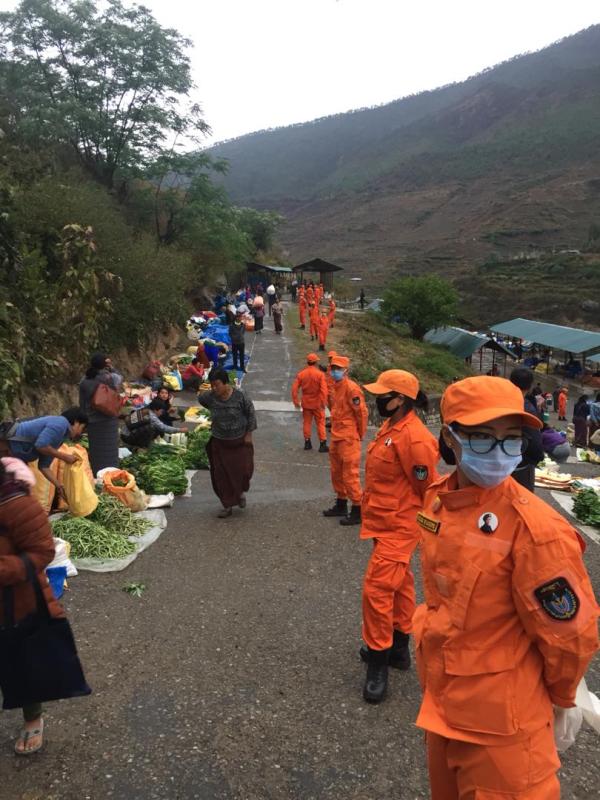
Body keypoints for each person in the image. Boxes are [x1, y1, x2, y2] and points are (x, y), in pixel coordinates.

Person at [415, 376, 599, 800]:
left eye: (511, 438)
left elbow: (570, 636)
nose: (499, 452)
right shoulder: (439, 501)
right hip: (443, 705)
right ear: (449, 436)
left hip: (503, 728)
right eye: (481, 436)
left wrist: (561, 698)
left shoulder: (536, 530)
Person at [359, 370, 439, 703]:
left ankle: (378, 659)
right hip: (383, 521)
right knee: (400, 583)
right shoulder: (392, 427)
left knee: (377, 590)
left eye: (382, 395)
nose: (376, 400)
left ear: (400, 399)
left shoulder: (415, 438)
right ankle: (400, 649)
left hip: (400, 527)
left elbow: (426, 487)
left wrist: (419, 526)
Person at [0, 458, 68, 755]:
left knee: (19, 661)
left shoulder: (16, 503)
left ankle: (32, 717)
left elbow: (42, 551)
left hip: (14, 600)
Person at [198, 368, 257, 518]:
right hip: (219, 442)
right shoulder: (210, 397)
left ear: (226, 383)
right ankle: (227, 505)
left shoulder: (240, 396)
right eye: (212, 385)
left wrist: (248, 434)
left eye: (217, 385)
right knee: (221, 476)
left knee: (243, 472)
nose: (214, 388)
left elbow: (251, 413)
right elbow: (201, 399)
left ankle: (240, 493)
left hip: (239, 442)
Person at [323, 355, 368, 526]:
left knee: (350, 474)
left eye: (338, 369)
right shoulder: (336, 386)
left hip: (348, 437)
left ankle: (358, 508)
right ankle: (341, 503)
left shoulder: (352, 389)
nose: (335, 371)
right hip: (336, 434)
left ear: (346, 370)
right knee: (336, 472)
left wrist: (360, 434)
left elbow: (361, 414)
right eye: (333, 368)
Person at [2, 409, 87, 499]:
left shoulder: (60, 437)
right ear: (77, 423)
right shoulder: (60, 423)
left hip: (13, 458)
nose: (80, 433)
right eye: (82, 428)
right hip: (5, 447)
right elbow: (41, 445)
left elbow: (44, 466)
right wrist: (65, 457)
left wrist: (59, 486)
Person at [79, 352, 121, 475]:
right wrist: (111, 367)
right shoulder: (110, 378)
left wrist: (84, 420)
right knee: (110, 449)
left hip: (93, 421)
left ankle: (97, 474)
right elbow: (119, 377)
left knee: (97, 450)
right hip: (109, 419)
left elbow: (82, 403)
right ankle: (112, 474)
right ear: (105, 364)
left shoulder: (85, 380)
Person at [509, 367, 544, 492]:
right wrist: (538, 457)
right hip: (520, 465)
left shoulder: (499, 402)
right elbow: (535, 444)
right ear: (530, 386)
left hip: (493, 462)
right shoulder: (527, 408)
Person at [291, 354, 328, 452]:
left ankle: (307, 443)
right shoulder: (320, 375)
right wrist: (323, 403)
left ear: (307, 362)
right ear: (316, 362)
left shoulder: (301, 374)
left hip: (306, 403)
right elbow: (324, 390)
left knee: (307, 422)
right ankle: (322, 444)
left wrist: (296, 401)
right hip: (317, 403)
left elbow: (294, 389)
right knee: (320, 423)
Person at [121, 408, 187, 449]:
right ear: (155, 410)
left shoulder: (144, 409)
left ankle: (139, 444)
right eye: (161, 411)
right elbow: (164, 428)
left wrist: (168, 412)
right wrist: (180, 430)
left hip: (123, 434)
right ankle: (140, 447)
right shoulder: (151, 416)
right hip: (128, 438)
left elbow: (159, 417)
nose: (161, 413)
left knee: (155, 425)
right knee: (152, 428)